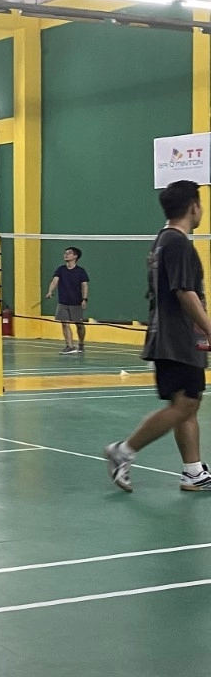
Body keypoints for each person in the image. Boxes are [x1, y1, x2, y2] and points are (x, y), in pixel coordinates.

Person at [105, 180, 211, 492]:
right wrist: (209, 328)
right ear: (193, 207)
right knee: (185, 404)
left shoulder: (162, 241)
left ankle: (193, 471)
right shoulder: (178, 243)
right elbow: (185, 292)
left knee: (187, 402)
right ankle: (123, 451)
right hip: (178, 338)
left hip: (170, 336)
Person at [45, 246, 90, 354]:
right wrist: (50, 291)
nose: (66, 255)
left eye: (69, 253)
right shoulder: (60, 269)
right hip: (63, 302)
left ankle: (81, 344)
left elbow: (84, 285)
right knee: (64, 324)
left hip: (76, 302)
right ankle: (70, 345)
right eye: (65, 253)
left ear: (75, 256)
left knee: (79, 325)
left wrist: (84, 299)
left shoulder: (80, 271)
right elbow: (54, 281)